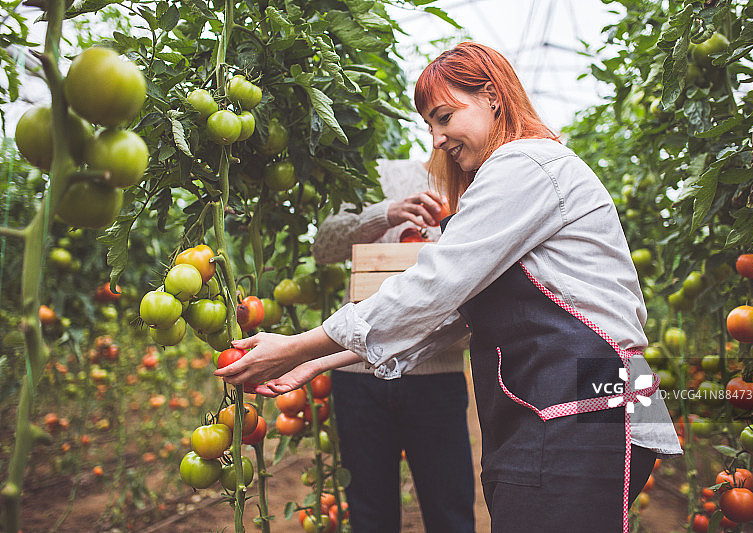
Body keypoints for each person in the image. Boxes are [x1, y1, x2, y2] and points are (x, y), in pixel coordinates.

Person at [216, 42, 682, 532]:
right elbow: (445, 315)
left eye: (444, 117)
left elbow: (433, 285)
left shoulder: (526, 164)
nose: (436, 139)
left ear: (492, 97)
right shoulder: (527, 172)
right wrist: (314, 359)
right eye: (430, 125)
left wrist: (295, 345)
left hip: (584, 403)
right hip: (575, 403)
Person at [309, 156, 476, 533]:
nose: (441, 136)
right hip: (357, 374)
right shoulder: (375, 172)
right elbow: (324, 246)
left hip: (436, 374)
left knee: (450, 510)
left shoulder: (477, 180)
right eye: (435, 119)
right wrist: (385, 214)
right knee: (369, 515)